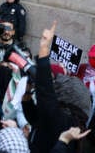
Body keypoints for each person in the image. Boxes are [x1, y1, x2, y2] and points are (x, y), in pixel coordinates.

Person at [27, 21, 92, 153]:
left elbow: (45, 91)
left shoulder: (58, 118)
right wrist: (26, 100)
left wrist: (44, 49)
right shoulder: (75, 123)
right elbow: (36, 119)